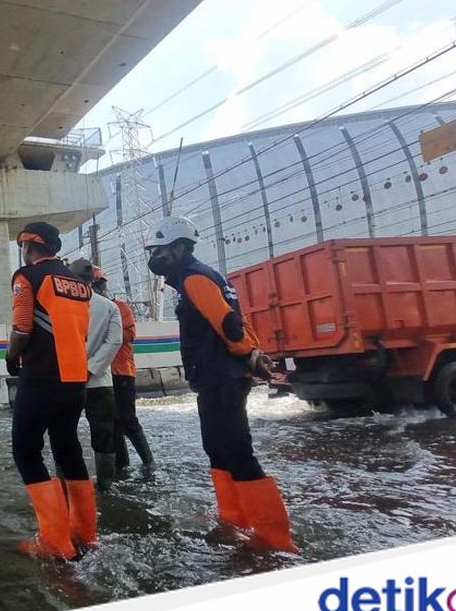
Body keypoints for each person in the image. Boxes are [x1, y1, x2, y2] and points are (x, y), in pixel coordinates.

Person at [145, 217, 297, 553]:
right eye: (152, 251)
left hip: (222, 377)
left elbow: (228, 323)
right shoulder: (199, 277)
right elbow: (233, 317)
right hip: (216, 376)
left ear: (180, 248)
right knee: (217, 448)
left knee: (237, 452)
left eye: (160, 250)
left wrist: (249, 354)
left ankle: (275, 539)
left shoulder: (194, 277)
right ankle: (235, 518)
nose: (154, 257)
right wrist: (252, 352)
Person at [8, 221, 96, 560]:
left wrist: (11, 355)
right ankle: (85, 534)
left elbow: (22, 326)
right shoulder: (79, 284)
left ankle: (56, 544)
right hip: (75, 381)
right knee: (68, 449)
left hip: (42, 377)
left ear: (29, 246)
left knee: (27, 453)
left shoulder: (26, 277)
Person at [67, 259, 122, 492]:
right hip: (100, 382)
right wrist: (93, 367)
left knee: (65, 434)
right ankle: (105, 486)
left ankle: (72, 488)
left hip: (67, 381)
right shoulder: (109, 306)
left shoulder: (63, 306)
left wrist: (79, 368)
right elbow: (115, 341)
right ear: (93, 280)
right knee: (104, 435)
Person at [98, 273, 155, 471]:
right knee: (112, 423)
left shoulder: (120, 307)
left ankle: (149, 463)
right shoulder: (93, 309)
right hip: (104, 374)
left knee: (128, 419)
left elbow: (130, 334)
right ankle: (122, 466)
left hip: (122, 371)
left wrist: (105, 332)